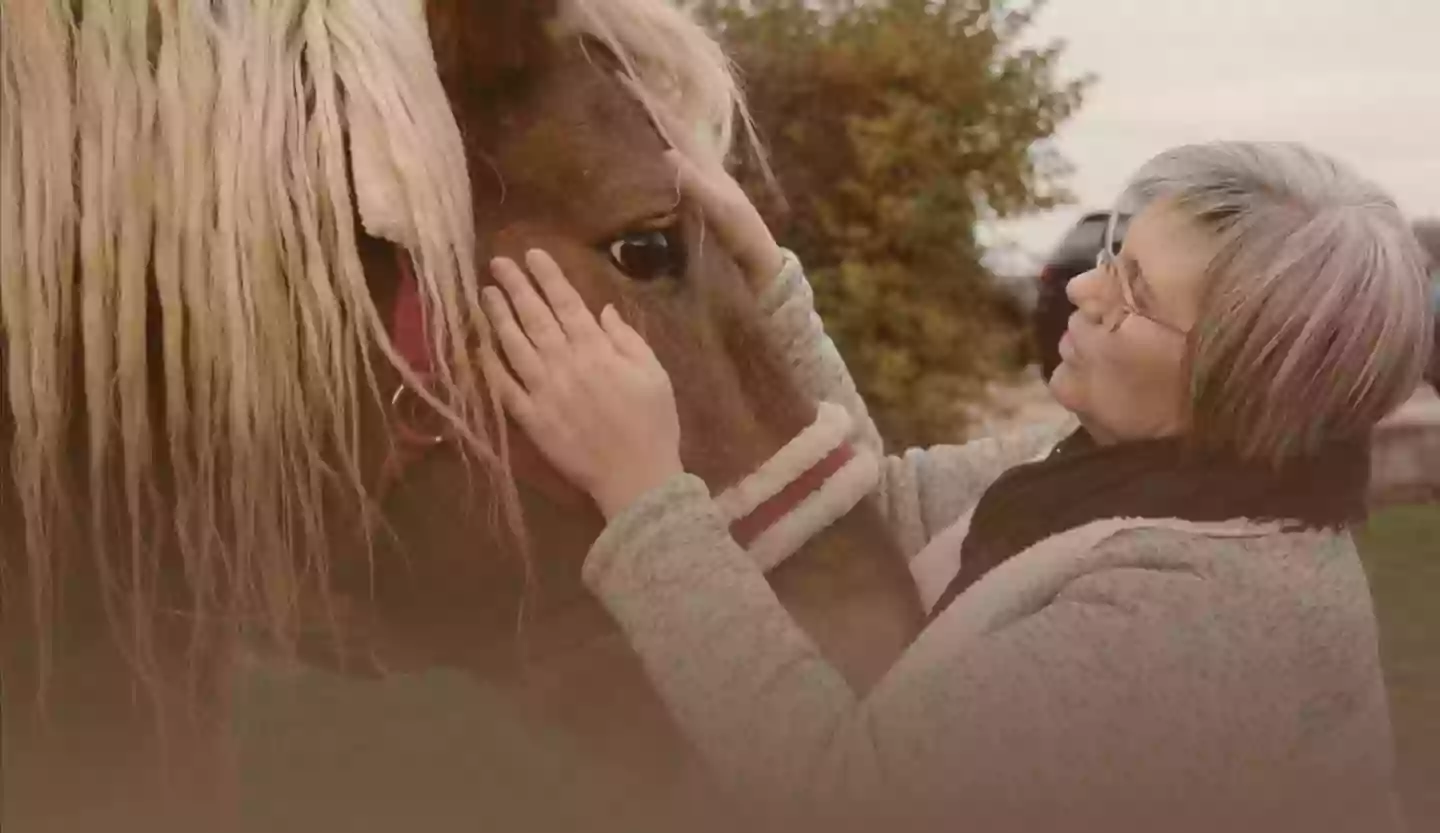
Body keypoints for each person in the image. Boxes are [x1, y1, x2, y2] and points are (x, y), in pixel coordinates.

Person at [478, 141, 1434, 832]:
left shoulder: (1207, 611)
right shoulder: (1109, 472)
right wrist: (768, 281)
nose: (1079, 292)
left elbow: (845, 795)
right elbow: (879, 515)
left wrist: (643, 492)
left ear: (1245, 380)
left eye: (1135, 292)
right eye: (1112, 252)